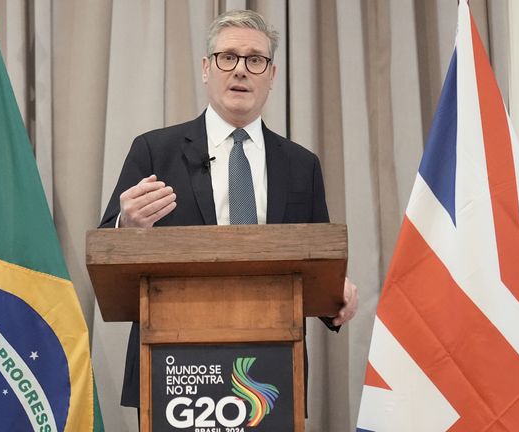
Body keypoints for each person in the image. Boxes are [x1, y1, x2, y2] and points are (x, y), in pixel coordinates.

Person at [99, 9, 359, 413]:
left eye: (255, 60)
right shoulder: (155, 151)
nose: (240, 70)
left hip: (270, 372)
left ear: (271, 76)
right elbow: (107, 247)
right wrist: (125, 225)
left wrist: (336, 294)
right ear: (206, 68)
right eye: (227, 57)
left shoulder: (300, 165)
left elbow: (317, 262)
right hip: (176, 369)